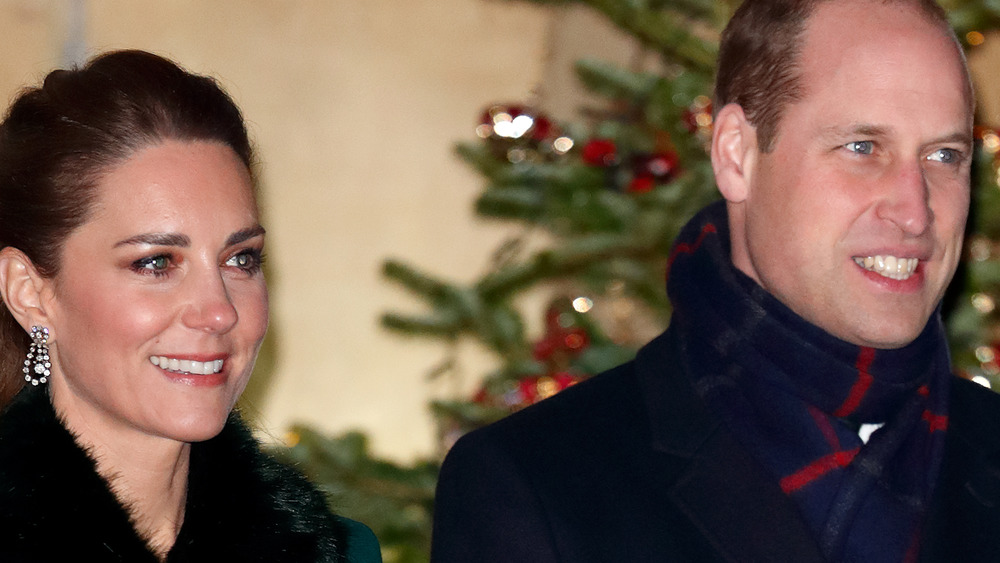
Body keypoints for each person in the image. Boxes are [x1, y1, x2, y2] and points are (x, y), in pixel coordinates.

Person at [430, 0, 1000, 561]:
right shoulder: (536, 481)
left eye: (944, 156)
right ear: (737, 155)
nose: (916, 212)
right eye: (862, 147)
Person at [0, 50, 381, 562]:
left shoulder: (342, 552)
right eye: (156, 263)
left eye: (240, 259)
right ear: (29, 290)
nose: (219, 311)